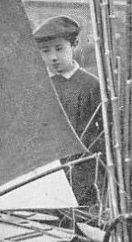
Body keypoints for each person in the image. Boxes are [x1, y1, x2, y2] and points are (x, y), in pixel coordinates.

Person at [32, 15, 104, 210]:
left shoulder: (91, 85)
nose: (53, 57)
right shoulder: (40, 86)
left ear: (74, 46)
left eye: (60, 49)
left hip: (84, 167)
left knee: (84, 211)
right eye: (45, 51)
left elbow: (103, 129)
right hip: (50, 166)